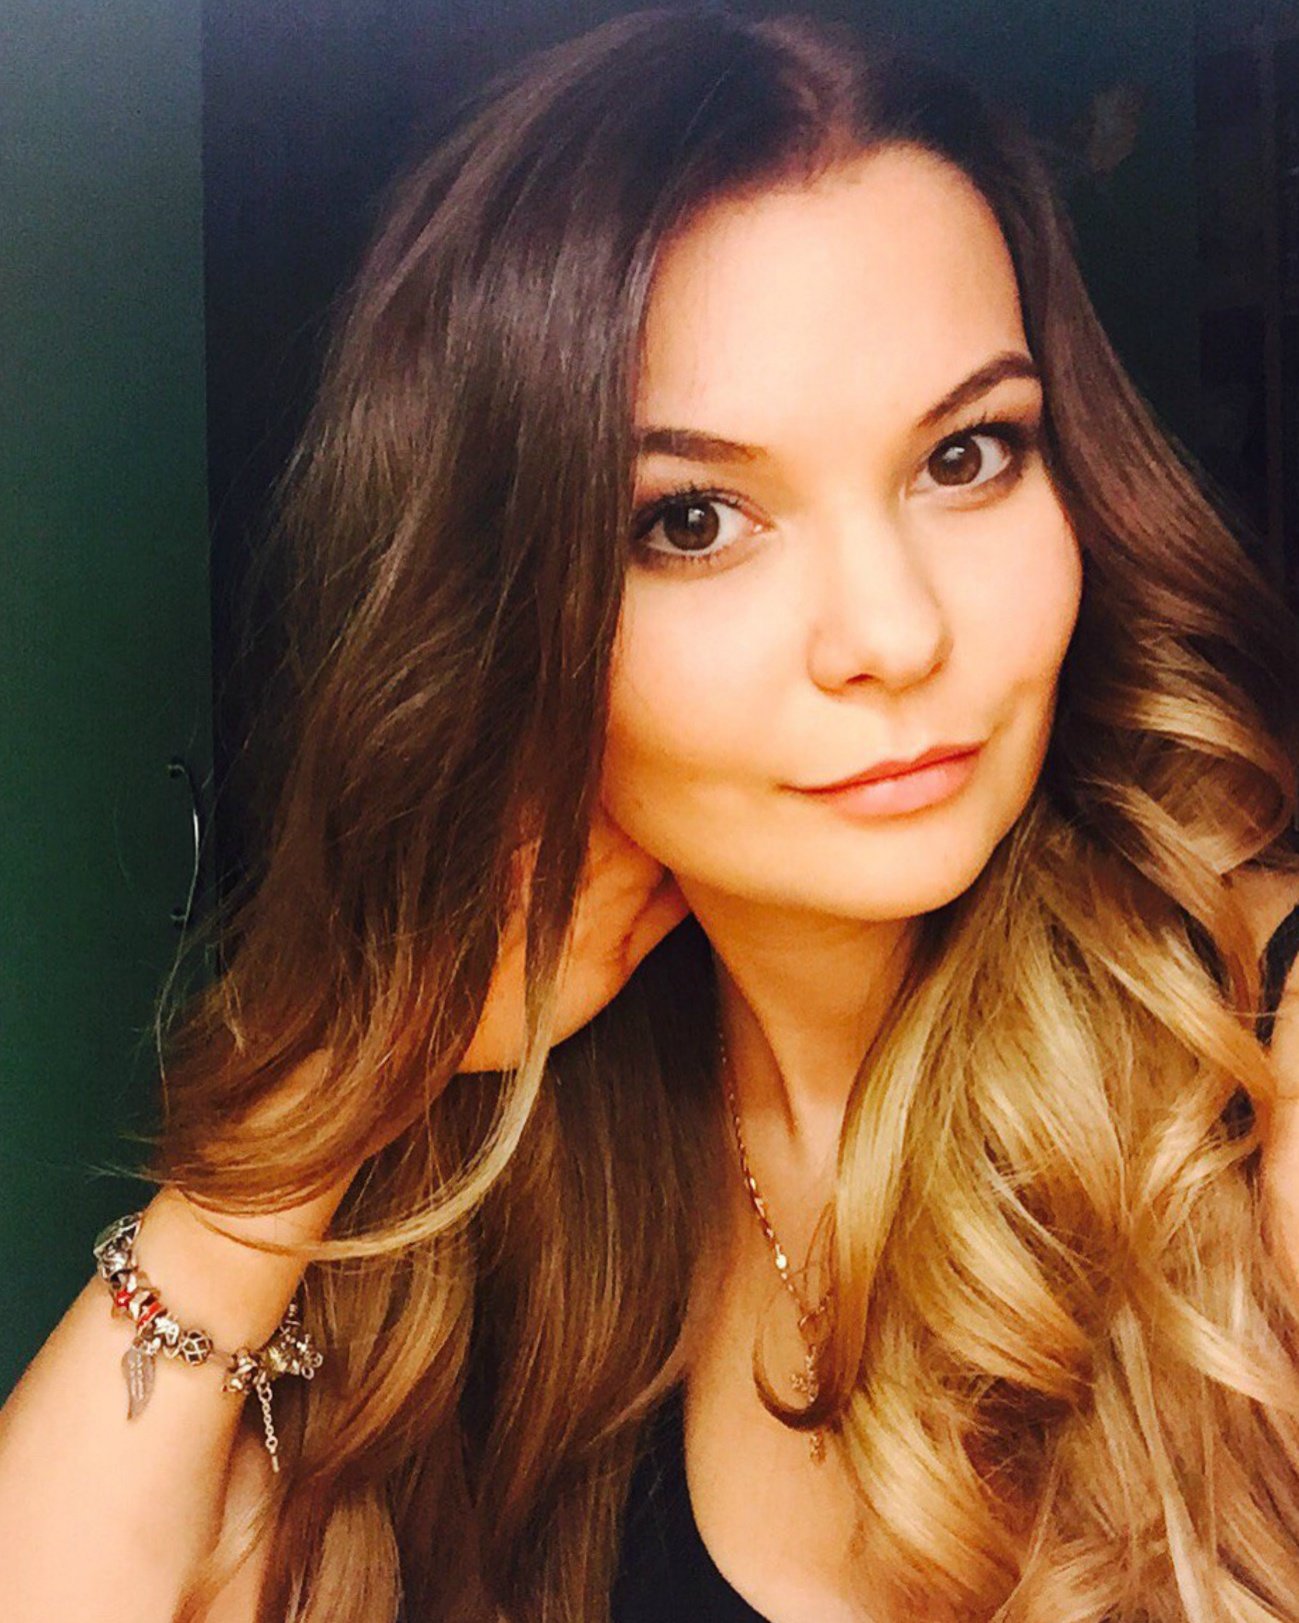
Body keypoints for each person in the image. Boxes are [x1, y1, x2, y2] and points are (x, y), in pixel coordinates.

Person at [3, 7, 1299, 1620]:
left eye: (967, 454)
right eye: (695, 521)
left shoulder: (1252, 1075)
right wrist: (311, 1125)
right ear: (503, 618)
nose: (895, 634)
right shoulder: (514, 1176)